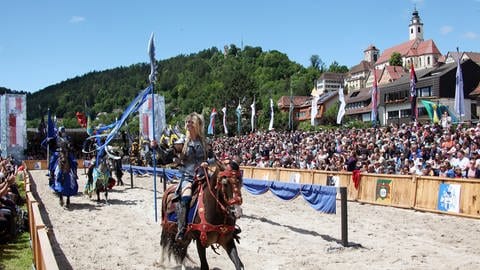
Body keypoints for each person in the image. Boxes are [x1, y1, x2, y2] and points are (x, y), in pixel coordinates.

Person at [173, 112, 215, 241]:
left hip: (204, 176)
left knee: (219, 191)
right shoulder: (181, 142)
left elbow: (214, 158)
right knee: (185, 198)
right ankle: (182, 229)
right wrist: (156, 148)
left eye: (191, 122)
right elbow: (169, 157)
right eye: (187, 122)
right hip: (188, 177)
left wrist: (207, 162)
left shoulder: (205, 142)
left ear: (197, 125)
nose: (188, 124)